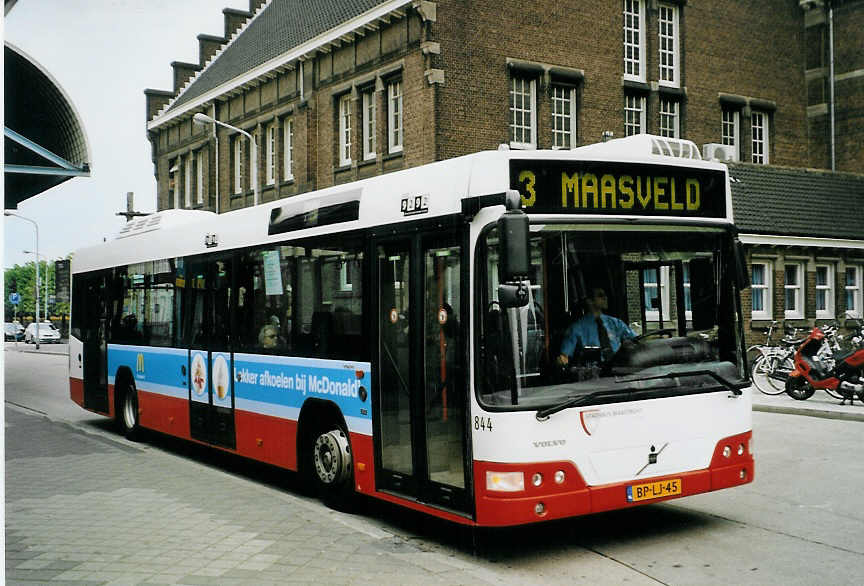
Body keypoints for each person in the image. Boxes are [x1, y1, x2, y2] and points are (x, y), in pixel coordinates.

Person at [557, 287, 636, 366]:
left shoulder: (615, 323)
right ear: (590, 301)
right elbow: (564, 356)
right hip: (594, 372)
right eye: (600, 295)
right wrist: (562, 361)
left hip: (619, 369)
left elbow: (636, 340)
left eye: (605, 295)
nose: (605, 298)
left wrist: (629, 344)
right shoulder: (576, 328)